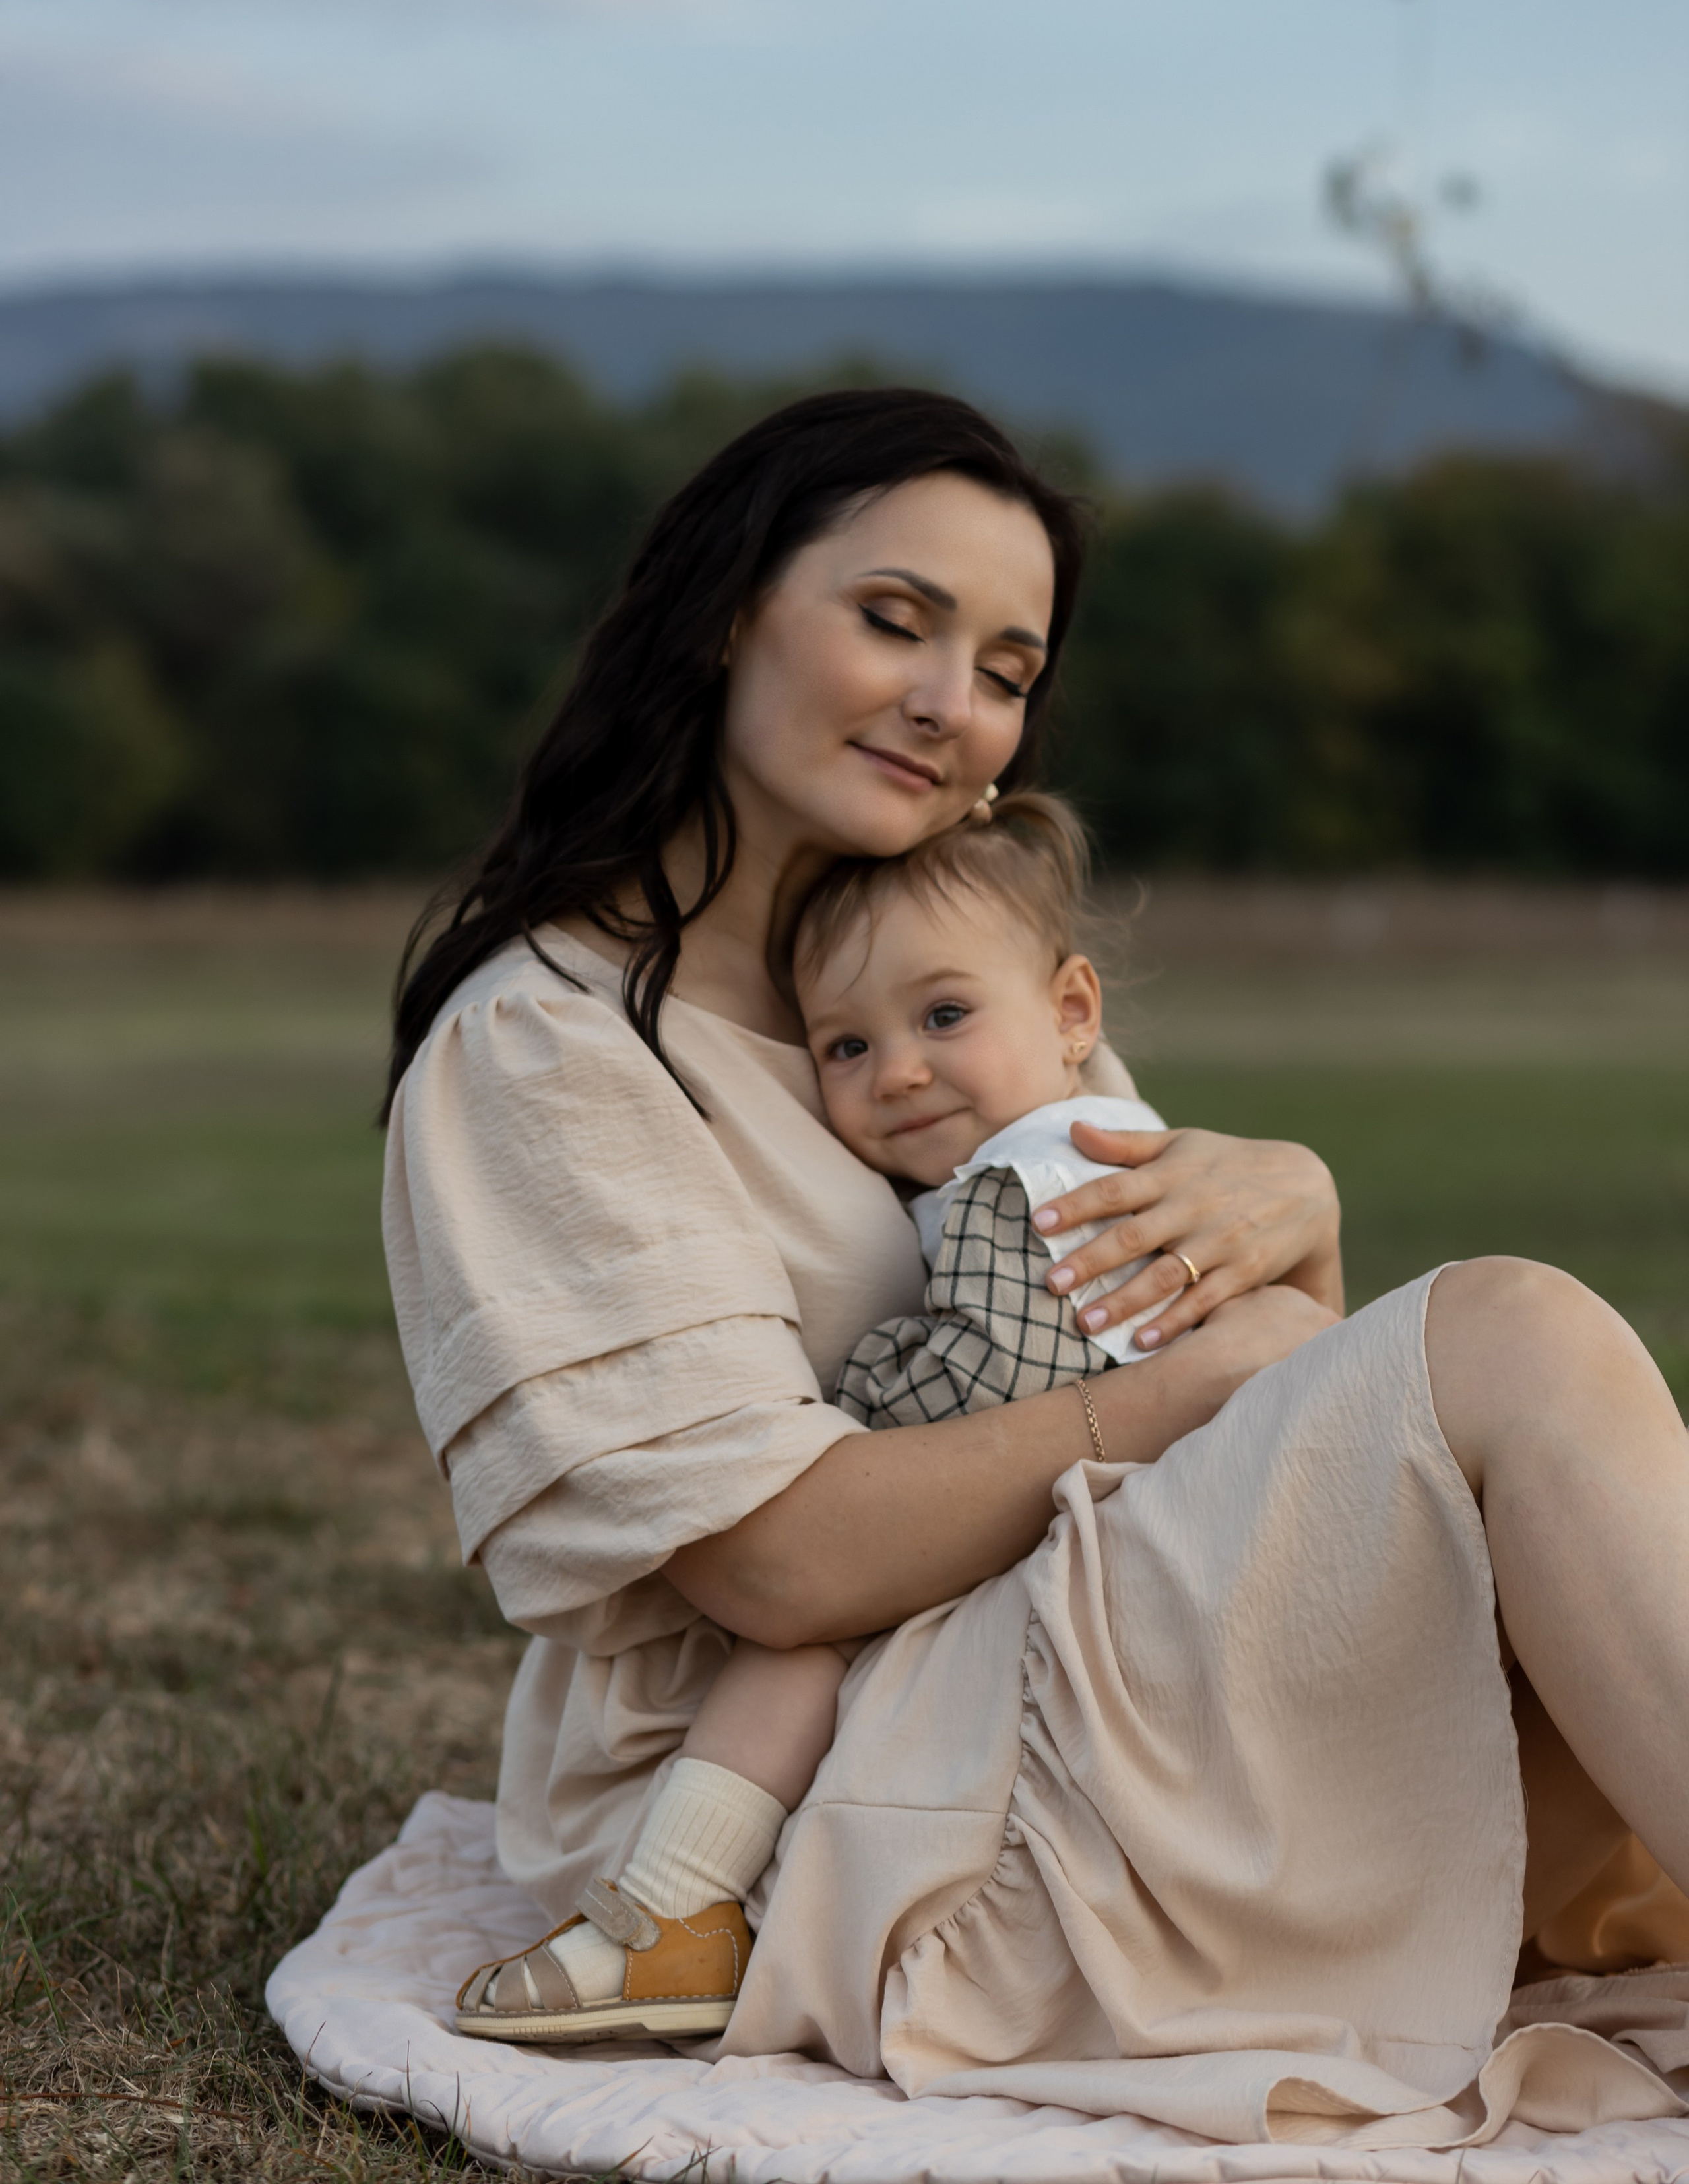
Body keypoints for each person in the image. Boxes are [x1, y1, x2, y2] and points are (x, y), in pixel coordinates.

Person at [385, 387, 1689, 2140]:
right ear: (721, 614)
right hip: (797, 1773)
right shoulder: (544, 1046)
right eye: (895, 621)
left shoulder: (965, 973)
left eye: (1007, 666)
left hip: (1065, 1609)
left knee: (1527, 1461)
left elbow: (1252, 1369)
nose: (954, 704)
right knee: (1516, 1338)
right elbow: (772, 1567)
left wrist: (1291, 1203)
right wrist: (1197, 1383)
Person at [455, 786, 1186, 2042]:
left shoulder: (1050, 1175)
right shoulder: (1018, 1154)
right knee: (814, 1620)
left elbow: (995, 1369)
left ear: (1073, 1013)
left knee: (800, 1635)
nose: (895, 1070)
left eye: (943, 1016)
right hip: (1074, 1521)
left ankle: (676, 1908)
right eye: (844, 1047)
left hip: (1112, 1546)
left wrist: (833, 1435)